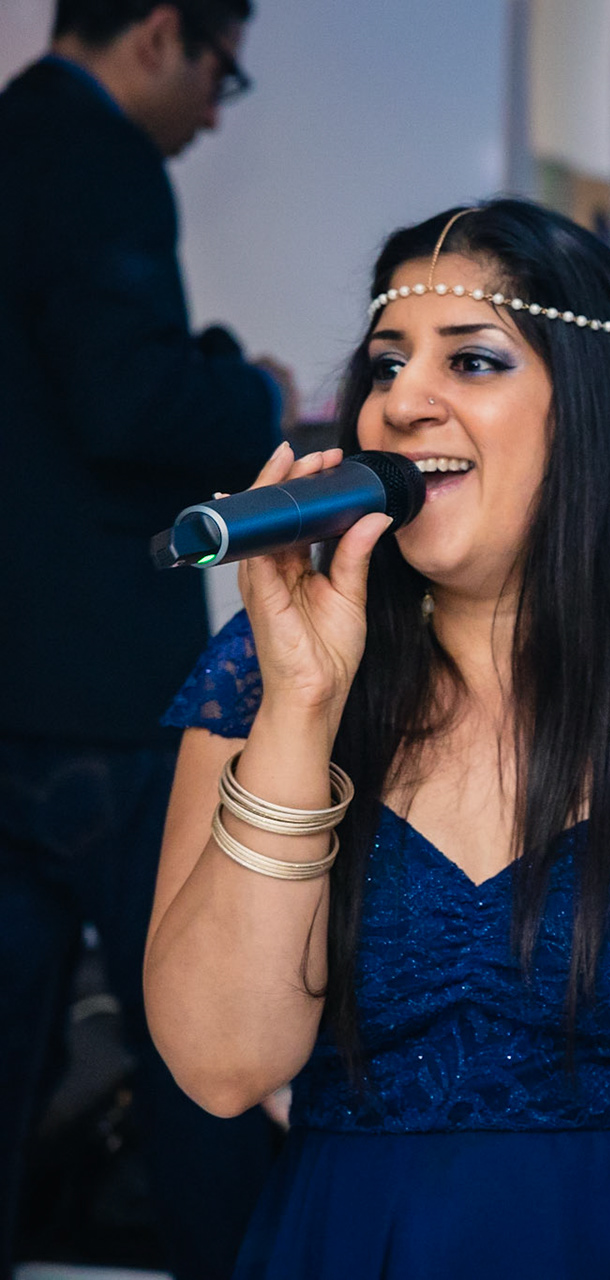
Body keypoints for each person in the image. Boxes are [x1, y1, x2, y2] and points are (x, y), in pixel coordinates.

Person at [143, 199, 610, 1279]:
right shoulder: (265, 677)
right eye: (387, 365)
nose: (402, 401)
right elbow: (223, 1066)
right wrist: (303, 705)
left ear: (588, 410)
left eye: (472, 361)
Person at [0, 1, 289, 1274]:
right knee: (194, 1042)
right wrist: (256, 391)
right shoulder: (98, 156)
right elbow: (127, 404)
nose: (217, 113)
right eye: (223, 73)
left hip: (14, 688)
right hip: (104, 698)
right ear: (164, 32)